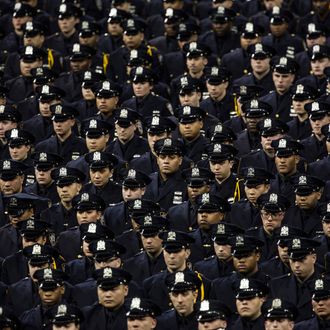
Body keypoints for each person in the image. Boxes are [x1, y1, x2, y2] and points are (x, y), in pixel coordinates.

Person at [210, 234, 268, 315]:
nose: (241, 260)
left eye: (246, 256)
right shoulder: (219, 286)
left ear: (257, 256)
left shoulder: (270, 284)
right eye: (237, 256)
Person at [269, 237, 322, 322]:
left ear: (314, 258)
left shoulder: (326, 285)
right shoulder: (276, 285)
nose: (297, 265)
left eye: (301, 259)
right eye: (293, 260)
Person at [143, 138, 188, 211]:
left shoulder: (186, 183)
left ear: (180, 160)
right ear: (157, 160)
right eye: (162, 157)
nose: (166, 161)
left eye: (171, 157)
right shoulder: (148, 181)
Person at [123, 214, 167, 285]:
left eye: (153, 235)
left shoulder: (172, 263)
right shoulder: (130, 265)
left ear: (162, 236)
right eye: (145, 236)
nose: (148, 241)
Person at [40, 167, 85, 236]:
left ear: (79, 187)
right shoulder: (47, 214)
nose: (64, 190)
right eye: (60, 185)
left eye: (68, 185)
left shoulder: (85, 214)